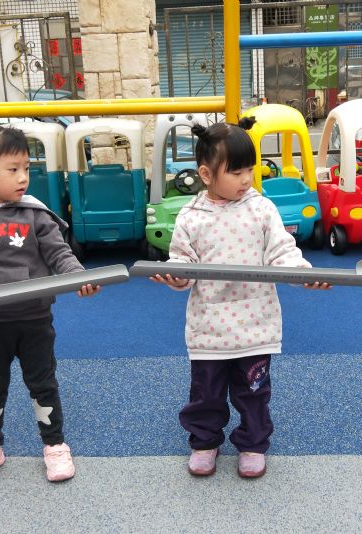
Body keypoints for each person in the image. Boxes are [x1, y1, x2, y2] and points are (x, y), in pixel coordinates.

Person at [151, 118, 330, 479]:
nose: (246, 179)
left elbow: (282, 252)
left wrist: (303, 274)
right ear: (206, 174)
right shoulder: (191, 217)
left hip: (254, 324)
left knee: (253, 393)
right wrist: (177, 276)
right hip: (210, 328)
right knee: (206, 394)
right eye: (236, 172)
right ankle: (204, 441)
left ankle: (252, 443)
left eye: (250, 169)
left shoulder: (261, 209)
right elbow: (183, 262)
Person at [0, 123, 101, 486]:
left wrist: (78, 277)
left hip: (33, 319)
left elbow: (60, 255)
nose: (23, 177)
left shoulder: (35, 215)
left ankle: (54, 444)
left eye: (26, 168)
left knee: (43, 384)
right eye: (12, 169)